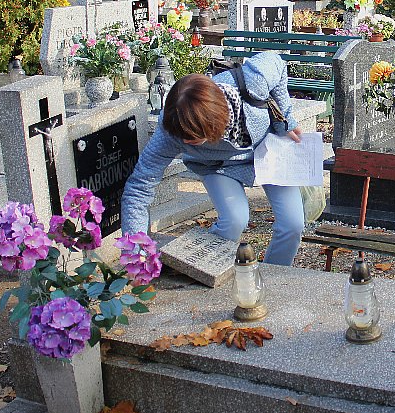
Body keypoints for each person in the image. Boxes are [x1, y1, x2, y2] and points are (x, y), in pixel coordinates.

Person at [121, 52, 305, 265]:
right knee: (234, 219)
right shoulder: (170, 129)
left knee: (293, 223)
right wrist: (135, 252)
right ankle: (205, 267)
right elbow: (139, 187)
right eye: (184, 138)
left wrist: (286, 119)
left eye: (194, 137)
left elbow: (279, 64)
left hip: (267, 151)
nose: (186, 142)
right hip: (217, 167)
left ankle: (276, 275)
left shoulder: (253, 81)